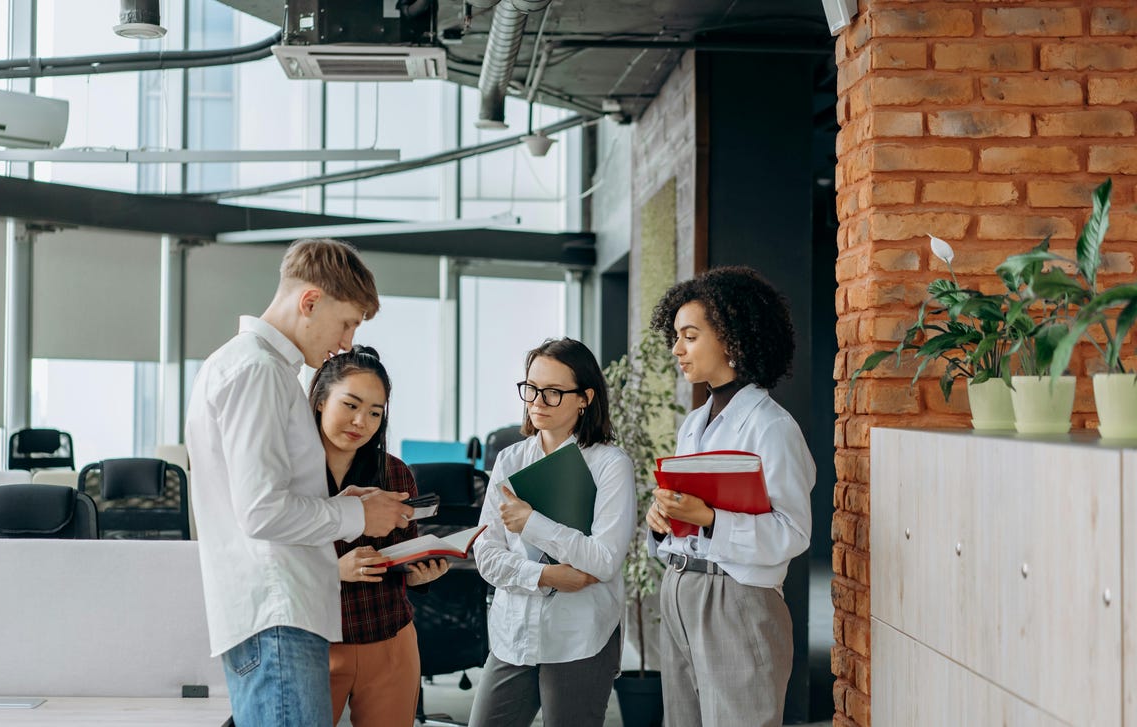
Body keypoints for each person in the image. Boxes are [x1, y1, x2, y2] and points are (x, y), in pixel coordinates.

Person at [185, 238, 414, 727]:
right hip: (278, 620)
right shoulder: (259, 371)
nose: (348, 342)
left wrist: (341, 501)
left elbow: (261, 497)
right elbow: (261, 511)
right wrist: (358, 515)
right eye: (347, 322)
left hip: (278, 619)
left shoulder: (252, 367)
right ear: (310, 301)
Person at [645, 265, 815, 727]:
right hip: (681, 588)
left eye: (690, 335)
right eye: (676, 336)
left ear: (732, 338)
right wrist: (662, 518)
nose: (677, 349)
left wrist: (710, 519)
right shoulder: (693, 423)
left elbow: (794, 533)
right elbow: (686, 512)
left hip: (735, 599)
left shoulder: (772, 427)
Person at [469, 337, 636, 727]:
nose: (537, 401)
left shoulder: (610, 465)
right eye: (531, 389)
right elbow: (486, 553)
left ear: (585, 397)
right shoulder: (510, 459)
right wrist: (544, 576)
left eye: (553, 392)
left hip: (579, 635)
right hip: (514, 634)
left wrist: (531, 523)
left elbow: (605, 560)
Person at [306, 345, 449, 726]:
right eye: (350, 405)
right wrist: (333, 569)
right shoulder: (290, 475)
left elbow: (404, 553)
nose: (361, 422)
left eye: (374, 413)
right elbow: (266, 562)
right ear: (320, 400)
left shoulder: (394, 473)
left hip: (388, 640)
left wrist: (420, 575)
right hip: (314, 645)